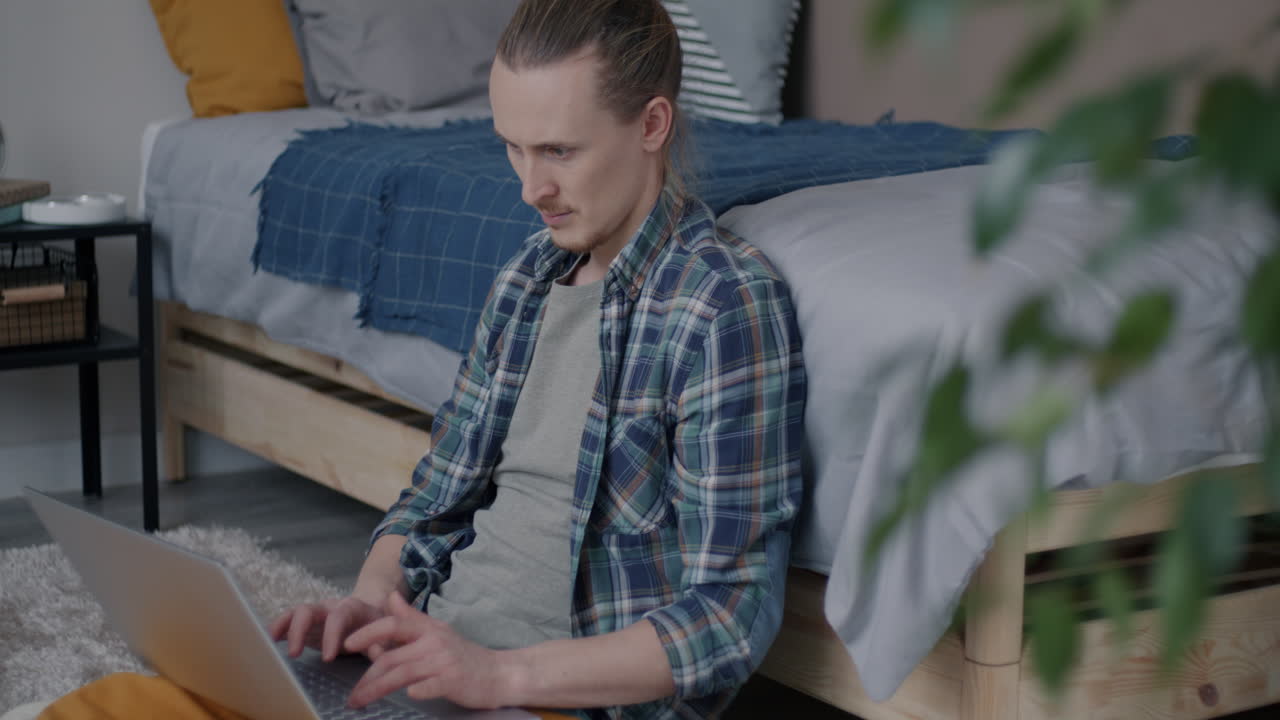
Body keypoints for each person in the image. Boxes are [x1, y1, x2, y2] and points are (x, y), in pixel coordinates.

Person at [40, 1, 805, 718]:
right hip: (430, 669)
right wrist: (373, 605)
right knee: (122, 703)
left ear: (652, 124)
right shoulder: (526, 279)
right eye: (512, 146)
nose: (531, 187)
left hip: (537, 697)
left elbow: (729, 618)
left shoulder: (721, 305)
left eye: (559, 151)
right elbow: (434, 497)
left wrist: (500, 675)